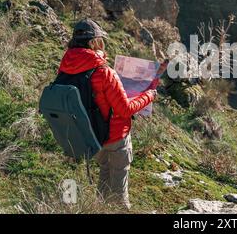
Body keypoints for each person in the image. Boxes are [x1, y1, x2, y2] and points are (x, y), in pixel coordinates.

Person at [57, 18, 166, 209]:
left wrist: (155, 76)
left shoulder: (65, 67)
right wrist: (150, 95)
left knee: (104, 175)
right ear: (93, 42)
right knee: (119, 196)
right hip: (115, 137)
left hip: (91, 136)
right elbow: (124, 110)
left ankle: (99, 209)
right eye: (99, 40)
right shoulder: (104, 72)